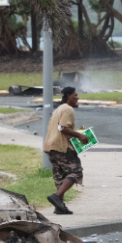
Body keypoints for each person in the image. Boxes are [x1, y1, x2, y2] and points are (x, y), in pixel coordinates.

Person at [43, 87, 89, 215]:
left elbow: (58, 127)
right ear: (68, 96)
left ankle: (60, 207)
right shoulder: (68, 109)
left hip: (50, 146)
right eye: (75, 95)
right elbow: (62, 128)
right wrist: (79, 135)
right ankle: (57, 197)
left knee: (60, 176)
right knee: (76, 171)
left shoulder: (59, 109)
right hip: (61, 147)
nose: (77, 97)